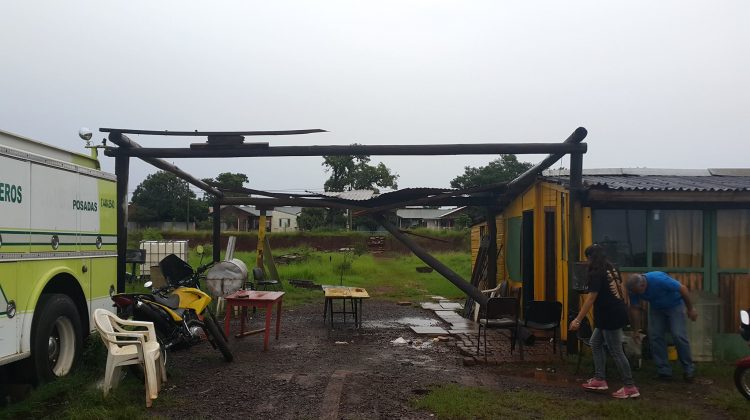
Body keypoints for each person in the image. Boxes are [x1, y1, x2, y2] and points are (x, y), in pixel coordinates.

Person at [569, 244, 640, 399]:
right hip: (612, 312)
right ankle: (599, 379)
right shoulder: (612, 269)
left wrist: (578, 319)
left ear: (590, 258)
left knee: (616, 351)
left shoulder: (596, 273)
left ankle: (630, 387)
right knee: (595, 342)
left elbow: (591, 298)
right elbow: (620, 290)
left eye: (587, 258)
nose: (587, 262)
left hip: (610, 315)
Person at [626, 272, 697, 381]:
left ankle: (689, 370)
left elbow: (683, 289)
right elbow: (634, 308)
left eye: (638, 292)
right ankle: (664, 371)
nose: (637, 294)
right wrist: (635, 330)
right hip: (656, 308)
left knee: (678, 335)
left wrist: (690, 309)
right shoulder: (633, 289)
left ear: (643, 285)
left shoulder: (658, 280)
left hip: (675, 305)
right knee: (655, 336)